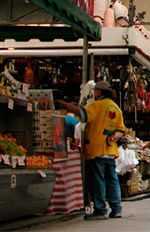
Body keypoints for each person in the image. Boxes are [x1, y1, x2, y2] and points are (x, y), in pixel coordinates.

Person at [56, 80, 126, 220]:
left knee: (98, 180)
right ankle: (116, 209)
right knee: (112, 180)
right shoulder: (115, 108)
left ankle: (100, 210)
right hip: (110, 150)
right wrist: (113, 137)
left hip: (96, 148)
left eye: (95, 91)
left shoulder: (98, 105)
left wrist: (66, 105)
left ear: (99, 91)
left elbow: (83, 115)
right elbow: (121, 131)